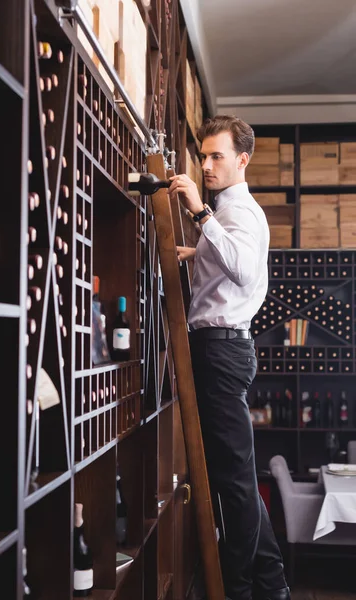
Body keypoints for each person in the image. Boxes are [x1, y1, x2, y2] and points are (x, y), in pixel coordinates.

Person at [167, 115, 290, 600]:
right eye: (203, 156)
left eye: (217, 156)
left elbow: (242, 270)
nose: (207, 165)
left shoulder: (236, 212)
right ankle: (272, 583)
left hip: (220, 351)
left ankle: (238, 590)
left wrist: (199, 215)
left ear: (242, 159)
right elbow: (235, 263)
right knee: (233, 477)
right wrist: (197, 252)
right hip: (218, 349)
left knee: (236, 485)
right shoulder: (229, 214)